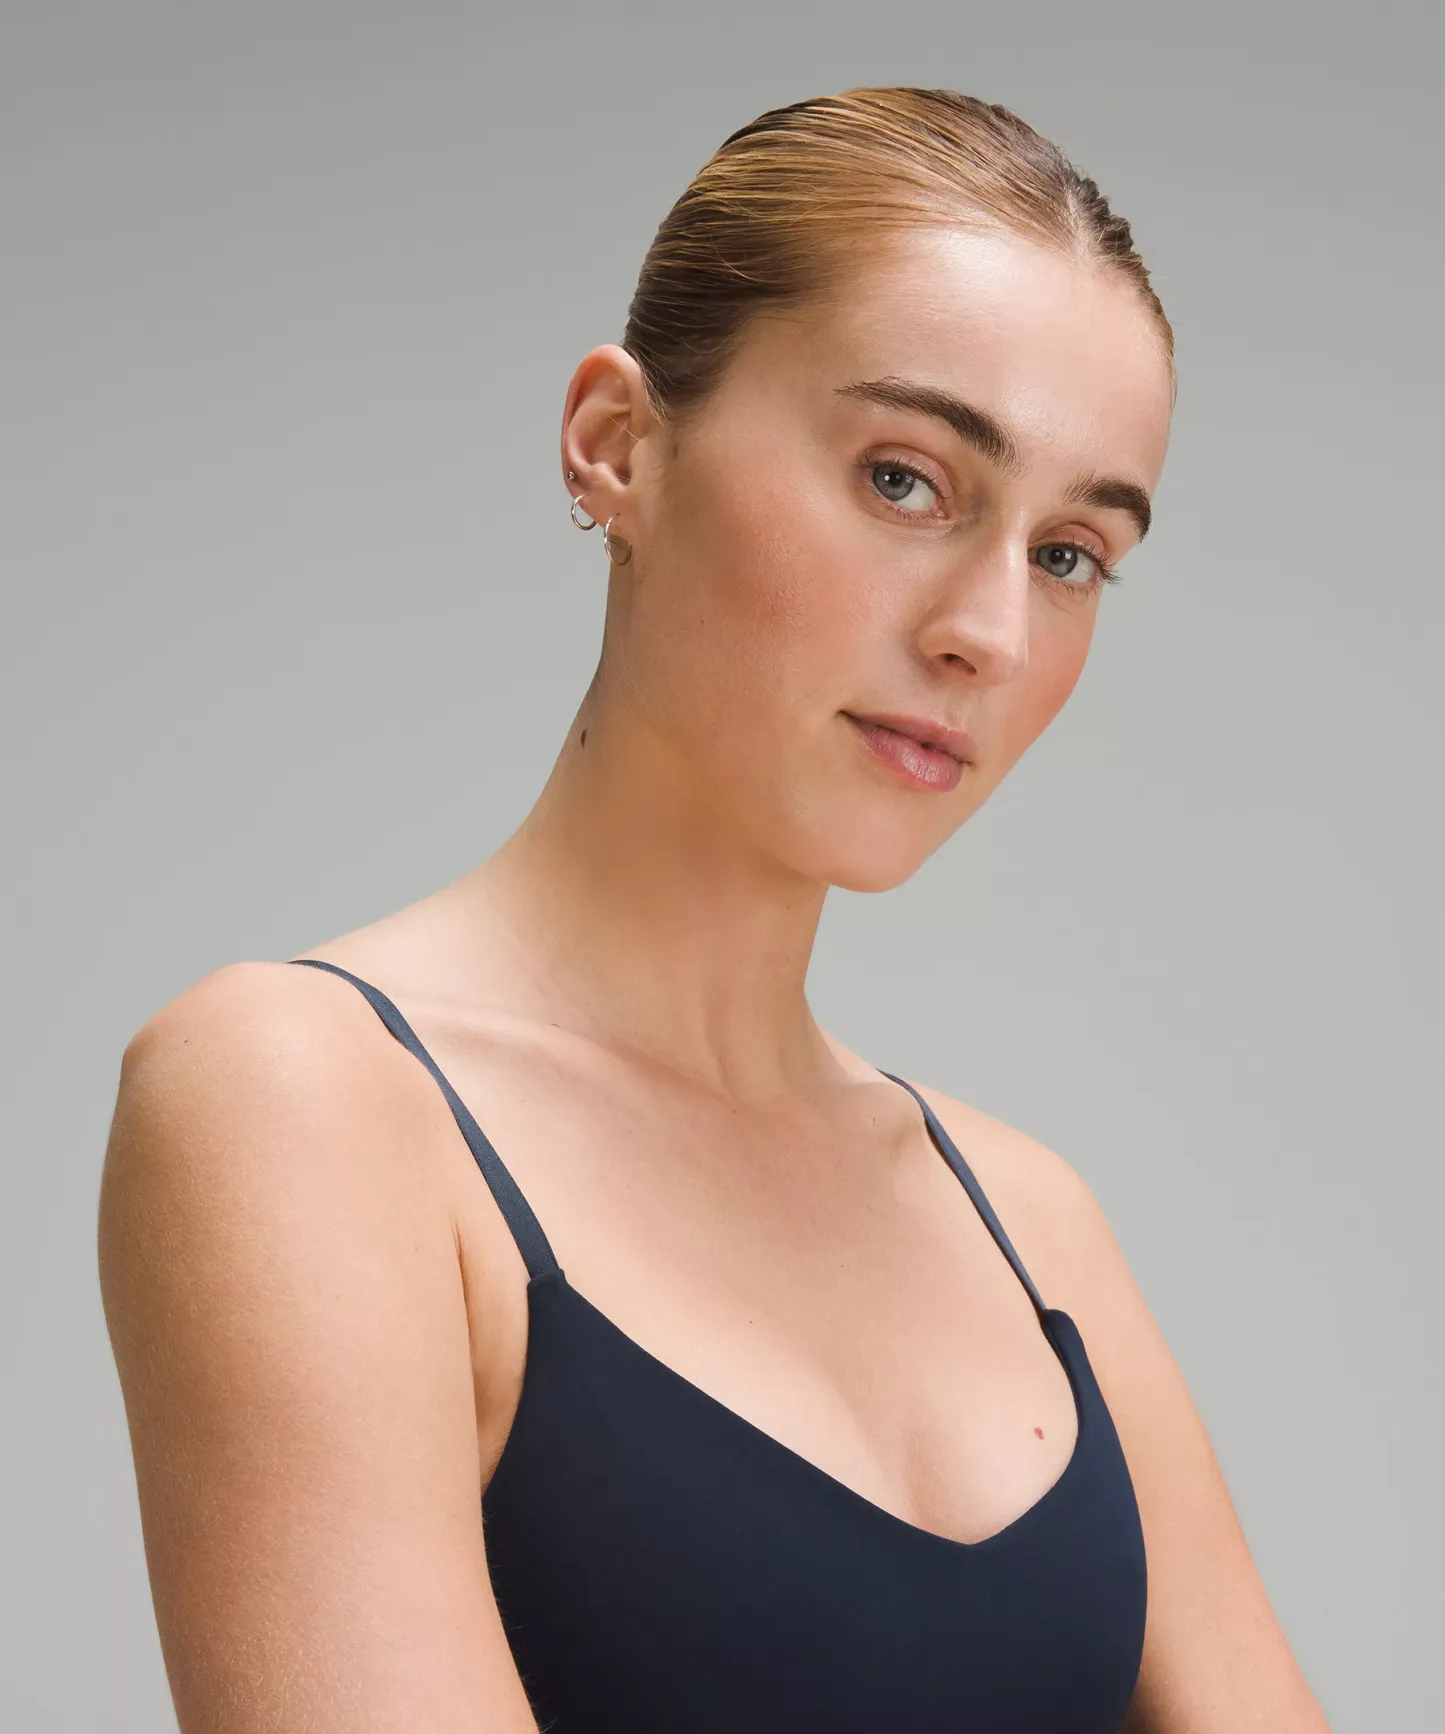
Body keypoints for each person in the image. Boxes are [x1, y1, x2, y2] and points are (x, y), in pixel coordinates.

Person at [98, 87, 1332, 1734]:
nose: (988, 633)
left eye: (1070, 554)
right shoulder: (304, 1103)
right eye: (906, 479)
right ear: (619, 443)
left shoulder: (1031, 1224)